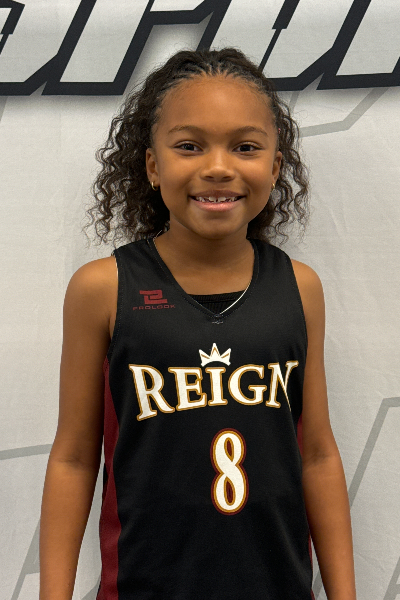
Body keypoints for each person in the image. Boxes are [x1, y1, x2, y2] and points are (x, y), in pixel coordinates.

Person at [39, 47, 357, 600]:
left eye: (245, 146)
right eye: (189, 145)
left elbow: (318, 455)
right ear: (152, 165)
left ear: (275, 166)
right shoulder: (103, 288)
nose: (218, 166)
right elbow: (73, 458)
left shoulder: (299, 287)